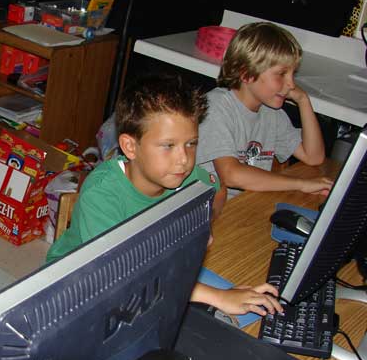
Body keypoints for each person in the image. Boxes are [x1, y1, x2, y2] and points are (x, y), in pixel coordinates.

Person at [46, 75, 283, 317]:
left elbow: (218, 190)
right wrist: (218, 296)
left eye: (191, 144)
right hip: (72, 290)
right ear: (130, 147)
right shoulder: (101, 193)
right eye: (168, 146)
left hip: (151, 269)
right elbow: (121, 277)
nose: (184, 159)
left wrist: (204, 223)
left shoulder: (185, 176)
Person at [196, 22, 333, 197]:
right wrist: (301, 184)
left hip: (248, 201)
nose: (291, 84)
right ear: (246, 74)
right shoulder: (216, 107)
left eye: (293, 74)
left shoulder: (271, 113)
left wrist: (303, 100)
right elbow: (231, 175)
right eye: (282, 74)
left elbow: (314, 157)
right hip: (214, 207)